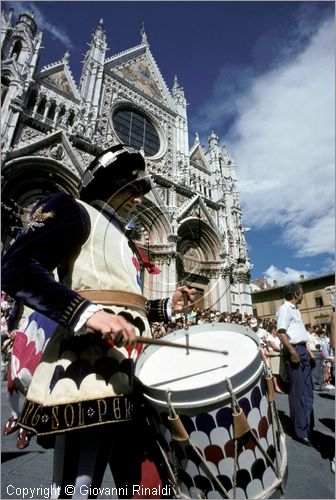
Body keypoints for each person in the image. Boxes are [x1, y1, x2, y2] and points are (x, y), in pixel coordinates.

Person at [1, 143, 196, 499]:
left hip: (133, 372)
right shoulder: (71, 209)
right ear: (111, 182)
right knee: (80, 482)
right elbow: (15, 268)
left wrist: (167, 306)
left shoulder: (124, 237)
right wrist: (86, 313)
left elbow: (121, 303)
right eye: (134, 189)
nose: (140, 199)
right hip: (86, 369)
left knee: (143, 480)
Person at [276, 283, 314, 446]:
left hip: (302, 350)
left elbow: (299, 334)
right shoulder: (285, 309)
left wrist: (308, 351)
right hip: (295, 351)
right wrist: (293, 352)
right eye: (302, 292)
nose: (303, 295)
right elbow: (281, 332)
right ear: (295, 294)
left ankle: (307, 425)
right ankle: (300, 430)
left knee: (308, 392)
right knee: (298, 393)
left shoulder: (295, 310)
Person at [265, 323, 283, 393]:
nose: (276, 331)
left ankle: (279, 385)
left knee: (279, 371)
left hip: (279, 354)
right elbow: (274, 347)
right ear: (272, 330)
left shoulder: (276, 337)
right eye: (275, 329)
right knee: (275, 372)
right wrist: (282, 350)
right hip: (274, 353)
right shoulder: (269, 337)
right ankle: (276, 386)